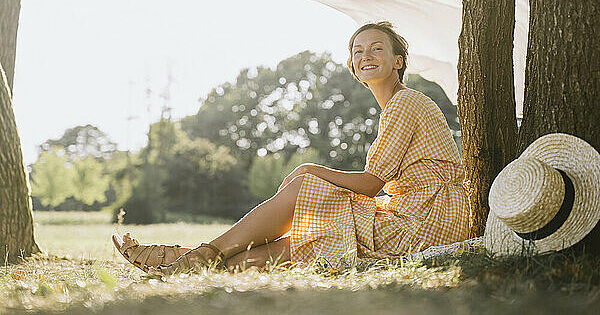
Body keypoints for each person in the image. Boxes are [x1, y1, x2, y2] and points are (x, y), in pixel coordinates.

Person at [112, 21, 471, 274]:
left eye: (378, 48)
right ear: (352, 66)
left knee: (305, 188)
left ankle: (190, 256)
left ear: (398, 61)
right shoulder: (397, 106)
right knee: (299, 243)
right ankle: (183, 261)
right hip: (417, 214)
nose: (366, 55)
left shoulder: (407, 103)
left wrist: (308, 170)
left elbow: (371, 183)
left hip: (427, 220)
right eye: (358, 51)